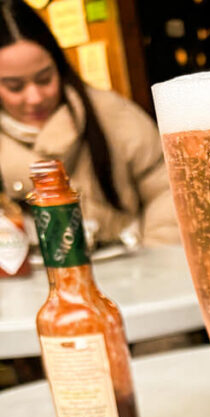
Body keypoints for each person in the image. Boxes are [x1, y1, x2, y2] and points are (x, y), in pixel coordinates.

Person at [0, 0, 179, 248]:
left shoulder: (111, 113)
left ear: (60, 67)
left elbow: (167, 188)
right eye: (14, 87)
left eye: (44, 78)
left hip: (133, 271)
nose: (35, 97)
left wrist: (156, 257)